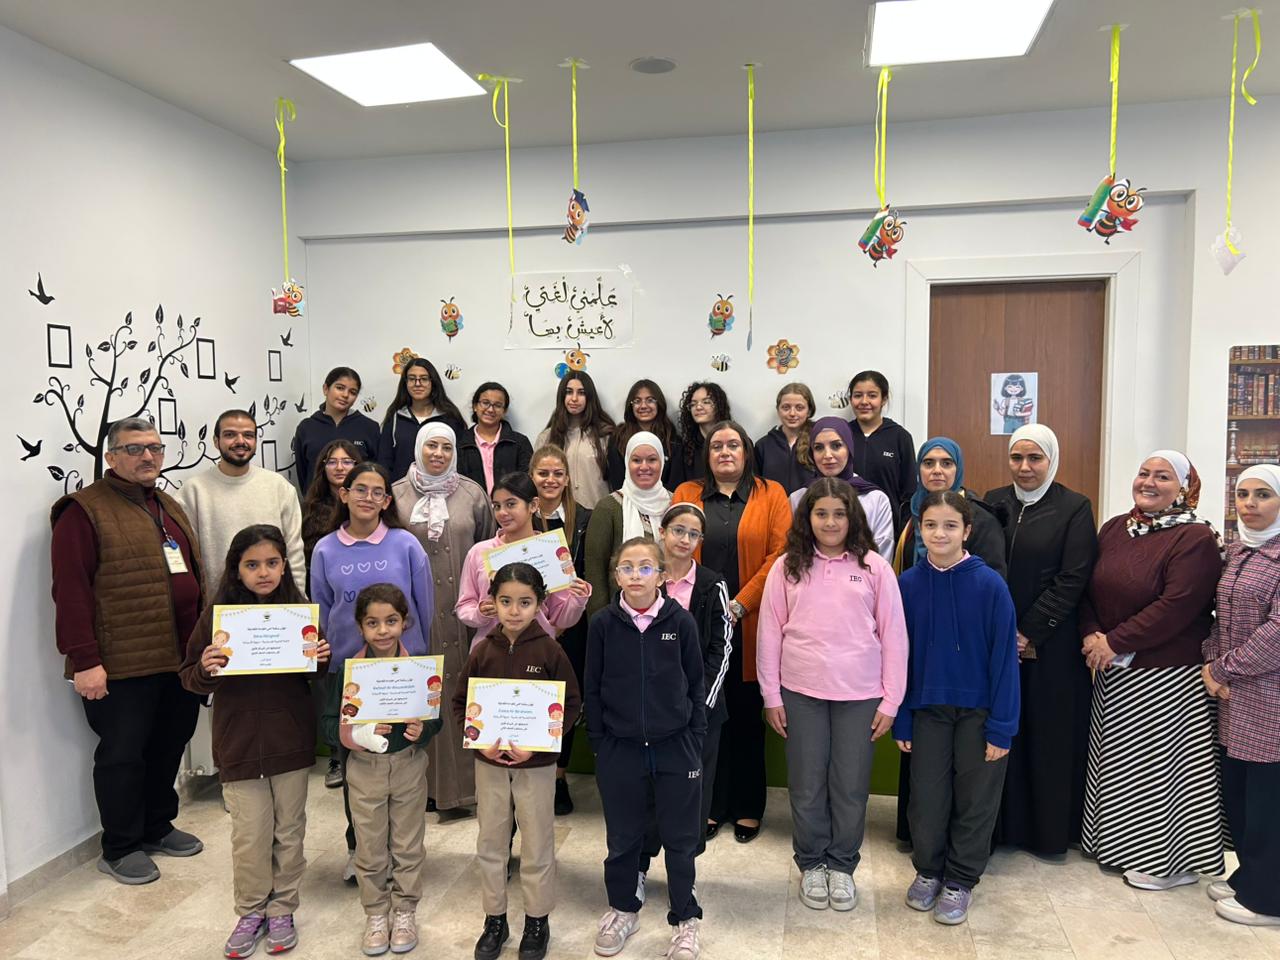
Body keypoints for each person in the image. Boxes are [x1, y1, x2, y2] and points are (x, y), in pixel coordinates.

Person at [50, 416, 205, 885]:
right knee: (123, 755)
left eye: (155, 448)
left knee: (170, 743)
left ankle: (157, 826)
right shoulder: (83, 511)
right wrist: (85, 660)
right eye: (135, 449)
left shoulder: (165, 504)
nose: (148, 456)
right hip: (120, 663)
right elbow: (70, 591)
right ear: (111, 456)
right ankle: (119, 846)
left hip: (177, 658)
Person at [180, 524, 330, 958]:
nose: (263, 572)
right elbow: (189, 677)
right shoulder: (218, 617)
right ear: (236, 569)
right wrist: (206, 667)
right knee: (249, 835)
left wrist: (321, 659)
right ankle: (250, 910)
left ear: (284, 566)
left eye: (272, 563)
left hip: (290, 742)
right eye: (252, 565)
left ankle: (282, 908)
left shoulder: (298, 612)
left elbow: (315, 672)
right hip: (239, 745)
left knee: (290, 831)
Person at [758, 479, 907, 913]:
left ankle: (842, 864)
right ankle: (811, 862)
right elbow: (769, 632)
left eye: (839, 514)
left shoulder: (875, 567)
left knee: (850, 786)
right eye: (820, 513)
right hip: (800, 691)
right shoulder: (786, 567)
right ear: (807, 518)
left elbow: (894, 636)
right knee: (806, 784)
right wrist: (771, 695)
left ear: (852, 518)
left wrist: (891, 700)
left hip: (860, 694)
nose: (830, 522)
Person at [1079, 451, 1225, 890]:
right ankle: (1116, 847)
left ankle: (1167, 864)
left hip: (1168, 674)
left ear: (1184, 488)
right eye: (1144, 473)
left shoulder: (1196, 538)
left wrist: (1114, 642)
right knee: (1121, 767)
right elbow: (1087, 588)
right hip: (1113, 669)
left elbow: (1178, 606)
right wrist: (1091, 634)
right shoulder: (1115, 528)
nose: (1149, 482)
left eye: (1163, 477)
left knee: (1159, 773)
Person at [894, 491, 1019, 926]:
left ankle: (961, 879)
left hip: (980, 713)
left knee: (975, 800)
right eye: (930, 525)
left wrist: (1002, 727)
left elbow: (1005, 660)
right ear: (919, 530)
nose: (940, 534)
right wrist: (902, 717)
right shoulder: (907, 585)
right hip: (927, 711)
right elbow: (899, 659)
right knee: (926, 799)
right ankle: (929, 871)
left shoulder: (990, 586)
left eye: (950, 525)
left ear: (967, 531)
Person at [311, 461, 434, 883]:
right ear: (343, 494)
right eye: (359, 489)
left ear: (386, 500)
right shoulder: (325, 549)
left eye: (377, 491)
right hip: (350, 675)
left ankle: (404, 850)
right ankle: (359, 848)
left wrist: (418, 661)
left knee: (405, 761)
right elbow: (322, 608)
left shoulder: (405, 544)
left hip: (402, 671)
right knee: (356, 766)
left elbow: (424, 606)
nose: (368, 497)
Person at [587, 538, 706, 960]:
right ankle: (623, 908)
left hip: (676, 746)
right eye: (627, 568)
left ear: (662, 575)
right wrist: (600, 742)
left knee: (680, 838)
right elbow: (593, 687)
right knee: (622, 837)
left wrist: (694, 736)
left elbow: (696, 683)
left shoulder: (681, 622)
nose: (635, 575)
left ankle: (685, 917)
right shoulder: (602, 624)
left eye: (645, 568)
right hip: (620, 749)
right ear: (616, 575)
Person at [671, 421, 791, 843]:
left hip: (750, 622)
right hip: (697, 626)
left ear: (746, 451)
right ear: (707, 455)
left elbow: (781, 554)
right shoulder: (687, 493)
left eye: (733, 445)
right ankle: (711, 804)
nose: (725, 452)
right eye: (717, 446)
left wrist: (739, 604)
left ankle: (747, 806)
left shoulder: (771, 494)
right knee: (704, 714)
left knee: (744, 716)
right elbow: (676, 546)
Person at [456, 564, 582, 960]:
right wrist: (482, 746)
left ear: (540, 604)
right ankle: (494, 919)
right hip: (490, 765)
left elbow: (571, 705)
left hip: (536, 767)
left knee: (537, 843)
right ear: (492, 602)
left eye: (525, 602)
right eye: (506, 601)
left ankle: (536, 919)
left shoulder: (550, 651)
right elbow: (461, 703)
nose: (514, 611)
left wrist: (539, 746)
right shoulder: (482, 651)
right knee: (491, 842)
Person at [983, 424, 1097, 859]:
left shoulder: (1074, 507)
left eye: (1035, 458)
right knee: (1002, 734)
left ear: (1052, 459)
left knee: (1046, 736)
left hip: (1051, 647)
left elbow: (1073, 578)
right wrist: (1000, 631)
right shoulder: (994, 500)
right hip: (997, 641)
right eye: (1017, 457)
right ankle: (1001, 828)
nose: (1025, 467)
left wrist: (1027, 630)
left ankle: (1045, 834)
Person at [323, 584, 442, 957]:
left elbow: (435, 718)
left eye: (391, 621)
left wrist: (424, 730)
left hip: (409, 766)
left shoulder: (419, 668)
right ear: (360, 626)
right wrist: (355, 734)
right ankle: (376, 913)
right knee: (370, 847)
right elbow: (328, 724)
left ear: (404, 622)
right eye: (372, 623)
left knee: (408, 845)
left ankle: (405, 911)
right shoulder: (349, 672)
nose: (383, 630)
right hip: (364, 770)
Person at [392, 423, 495, 815]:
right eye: (431, 446)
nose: (438, 453)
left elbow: (488, 548)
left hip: (466, 613)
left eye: (446, 447)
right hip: (416, 616)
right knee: (423, 698)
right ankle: (428, 790)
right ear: (418, 448)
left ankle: (468, 789)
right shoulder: (396, 495)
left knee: (463, 694)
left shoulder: (472, 493)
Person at [636, 504, 733, 890]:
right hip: (648, 711)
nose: (685, 539)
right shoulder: (643, 577)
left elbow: (722, 648)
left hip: (699, 713)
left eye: (694, 534)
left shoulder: (712, 584)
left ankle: (683, 873)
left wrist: (699, 707)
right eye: (678, 530)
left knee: (692, 795)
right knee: (645, 791)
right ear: (662, 532)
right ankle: (638, 866)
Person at [1203, 465, 1280, 925]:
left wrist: (1222, 668)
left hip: (1269, 695)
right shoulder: (1238, 550)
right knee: (1241, 789)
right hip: (1234, 693)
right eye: (1243, 494)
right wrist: (1212, 660)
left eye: (1263, 495)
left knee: (1269, 796)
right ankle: (1250, 875)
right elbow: (1219, 614)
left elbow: (1277, 632)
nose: (1250, 503)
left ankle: (1269, 899)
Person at [175, 408, 305, 595]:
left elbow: (294, 552)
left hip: (275, 604)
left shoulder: (279, 487)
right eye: (230, 435)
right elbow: (188, 560)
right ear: (216, 441)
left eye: (248, 435)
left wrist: (297, 598)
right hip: (219, 604)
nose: (240, 441)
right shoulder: (193, 491)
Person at [455, 472, 591, 646]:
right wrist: (479, 613)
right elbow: (464, 606)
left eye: (511, 504)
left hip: (537, 651)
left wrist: (578, 599)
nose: (502, 513)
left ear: (533, 505)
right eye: (497, 506)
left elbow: (562, 618)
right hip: (489, 651)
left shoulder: (550, 549)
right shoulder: (479, 552)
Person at [530, 445, 593, 814]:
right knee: (534, 694)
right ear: (532, 476)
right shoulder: (521, 516)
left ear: (568, 479)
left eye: (557, 474)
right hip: (531, 626)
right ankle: (533, 771)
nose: (550, 480)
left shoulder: (584, 518)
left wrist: (570, 613)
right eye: (543, 473)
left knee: (565, 698)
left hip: (573, 627)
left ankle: (558, 776)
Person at [300, 438, 365, 790]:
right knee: (334, 687)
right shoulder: (309, 508)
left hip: (367, 610)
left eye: (347, 461)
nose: (339, 467)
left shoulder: (370, 508)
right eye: (332, 461)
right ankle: (338, 757)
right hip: (327, 603)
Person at [585, 432, 673, 616]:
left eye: (652, 460)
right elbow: (595, 572)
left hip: (669, 614)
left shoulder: (675, 504)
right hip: (619, 617)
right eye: (636, 460)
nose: (644, 467)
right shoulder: (608, 507)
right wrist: (599, 622)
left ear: (662, 463)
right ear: (627, 463)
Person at [894, 438, 1006, 577]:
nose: (937, 470)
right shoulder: (910, 511)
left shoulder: (980, 518)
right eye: (928, 463)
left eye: (946, 463)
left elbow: (992, 578)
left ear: (958, 469)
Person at [788, 417, 895, 560]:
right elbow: (794, 551)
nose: (827, 455)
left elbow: (881, 557)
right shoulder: (798, 498)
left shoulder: (875, 499)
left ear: (849, 448)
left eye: (836, 446)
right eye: (818, 447)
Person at [846, 371, 915, 533]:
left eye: (872, 395)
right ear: (850, 399)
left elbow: (909, 491)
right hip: (845, 526)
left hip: (888, 529)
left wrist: (903, 531)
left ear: (883, 399)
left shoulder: (900, 437)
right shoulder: (841, 435)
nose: (864, 401)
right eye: (858, 395)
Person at [378, 357, 467, 482]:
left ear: (433, 382)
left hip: (442, 490)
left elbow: (461, 461)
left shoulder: (450, 418)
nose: (417, 384)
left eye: (424, 379)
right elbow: (384, 461)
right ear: (405, 383)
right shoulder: (395, 418)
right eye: (412, 379)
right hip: (402, 491)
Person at [293, 367, 380, 493]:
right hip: (316, 502)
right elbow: (303, 473)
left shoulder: (369, 428)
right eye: (340, 388)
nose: (345, 395)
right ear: (326, 389)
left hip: (357, 502)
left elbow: (375, 472)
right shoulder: (306, 427)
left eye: (352, 392)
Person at [535, 371, 614, 507]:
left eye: (581, 393)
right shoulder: (547, 437)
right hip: (559, 514)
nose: (574, 398)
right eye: (569, 392)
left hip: (598, 513)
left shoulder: (606, 435)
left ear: (590, 397)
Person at [608, 379, 687, 491]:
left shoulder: (672, 440)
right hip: (627, 500)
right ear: (631, 406)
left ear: (659, 404)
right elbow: (617, 481)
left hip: (665, 500)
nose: (643, 406)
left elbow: (676, 483)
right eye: (637, 401)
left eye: (650, 400)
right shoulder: (618, 438)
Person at [457, 382, 533, 494]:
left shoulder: (520, 443)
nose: (490, 409)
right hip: (470, 504)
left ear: (504, 411)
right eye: (485, 403)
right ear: (475, 406)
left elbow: (527, 482)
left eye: (497, 405)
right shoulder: (459, 443)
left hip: (510, 504)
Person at [754, 383, 817, 495]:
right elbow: (756, 486)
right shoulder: (763, 445)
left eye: (799, 408)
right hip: (773, 506)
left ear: (809, 411)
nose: (792, 413)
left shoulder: (818, 442)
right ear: (778, 410)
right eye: (786, 407)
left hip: (810, 505)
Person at [676, 381, 731, 482]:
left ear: (719, 405)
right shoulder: (685, 449)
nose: (698, 407)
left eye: (706, 402)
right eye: (693, 404)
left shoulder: (738, 442)